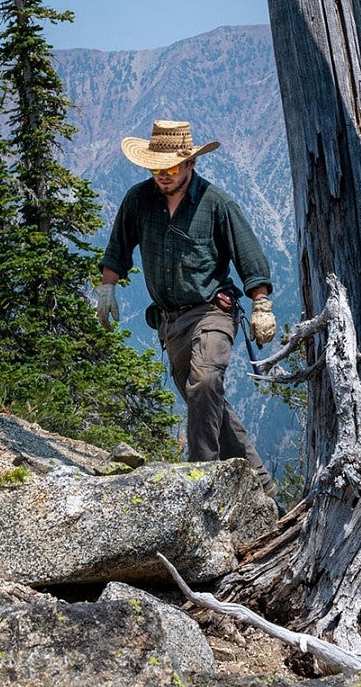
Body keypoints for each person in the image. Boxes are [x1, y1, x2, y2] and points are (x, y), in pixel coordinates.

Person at [97, 119, 277, 491]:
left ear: (190, 164)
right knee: (207, 404)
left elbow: (250, 255)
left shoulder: (217, 204)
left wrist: (262, 305)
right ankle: (263, 489)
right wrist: (108, 288)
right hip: (169, 321)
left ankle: (200, 479)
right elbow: (118, 247)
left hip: (212, 312)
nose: (163, 175)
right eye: (157, 168)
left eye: (172, 168)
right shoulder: (138, 200)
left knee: (206, 381)